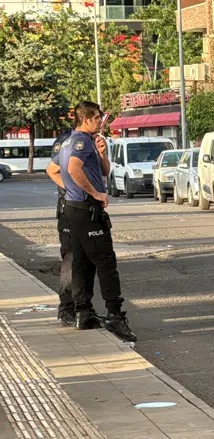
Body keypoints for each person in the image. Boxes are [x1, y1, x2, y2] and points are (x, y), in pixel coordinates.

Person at [56, 101, 135, 342]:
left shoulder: (72, 141)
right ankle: (115, 315)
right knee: (106, 262)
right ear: (86, 119)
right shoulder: (80, 141)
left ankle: (83, 312)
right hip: (86, 209)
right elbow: (74, 168)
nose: (101, 121)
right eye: (98, 118)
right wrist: (95, 193)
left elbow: (103, 171)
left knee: (81, 262)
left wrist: (102, 154)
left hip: (74, 208)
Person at [45, 130, 74, 326]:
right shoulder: (66, 141)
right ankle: (67, 309)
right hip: (69, 207)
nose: (100, 121)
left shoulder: (92, 139)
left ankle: (83, 307)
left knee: (88, 261)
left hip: (89, 208)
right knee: (71, 259)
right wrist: (75, 190)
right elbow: (53, 170)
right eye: (96, 117)